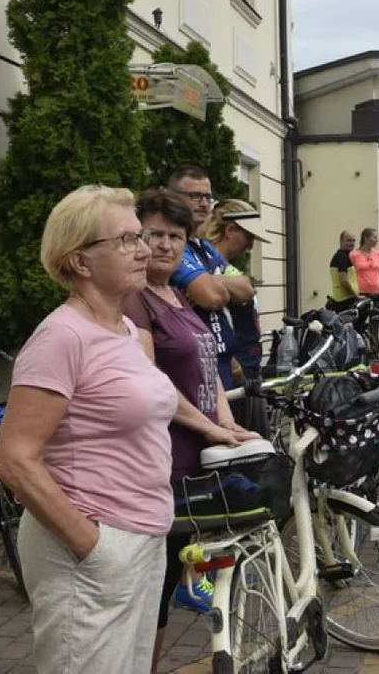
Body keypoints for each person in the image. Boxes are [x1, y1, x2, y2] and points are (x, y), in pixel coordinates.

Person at [0, 185, 176, 674]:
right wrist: (92, 547)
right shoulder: (61, 337)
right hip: (91, 553)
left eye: (140, 236)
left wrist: (219, 427)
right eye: (125, 240)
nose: (145, 249)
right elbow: (14, 458)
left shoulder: (126, 334)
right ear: (79, 262)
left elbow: (153, 402)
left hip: (143, 539)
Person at [123, 190, 259, 672]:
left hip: (197, 458)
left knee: (168, 581)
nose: (163, 244)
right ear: (134, 238)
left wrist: (226, 422)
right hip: (165, 461)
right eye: (152, 234)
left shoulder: (176, 295)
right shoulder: (135, 302)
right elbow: (151, 380)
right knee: (151, 593)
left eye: (175, 236)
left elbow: (207, 369)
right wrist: (207, 426)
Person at [166, 165, 254, 393]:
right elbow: (212, 297)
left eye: (207, 196)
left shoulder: (204, 248)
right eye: (195, 196)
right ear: (172, 198)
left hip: (220, 366)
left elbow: (245, 289)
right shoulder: (175, 248)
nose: (204, 203)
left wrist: (213, 281)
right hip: (192, 371)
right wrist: (217, 285)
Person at [202, 198, 273, 434]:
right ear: (230, 229)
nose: (251, 246)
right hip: (233, 379)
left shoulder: (225, 267)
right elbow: (211, 325)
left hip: (248, 372)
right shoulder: (208, 266)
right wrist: (237, 371)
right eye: (248, 237)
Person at [327, 230, 359, 311]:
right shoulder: (342, 257)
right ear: (341, 241)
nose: (351, 243)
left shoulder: (343, 256)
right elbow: (344, 281)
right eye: (348, 240)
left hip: (343, 299)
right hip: (345, 301)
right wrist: (356, 296)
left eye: (353, 241)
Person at [351, 227, 379, 296]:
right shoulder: (354, 255)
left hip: (377, 292)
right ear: (366, 238)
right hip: (361, 292)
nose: (377, 240)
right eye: (374, 237)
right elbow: (350, 275)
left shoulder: (378, 254)